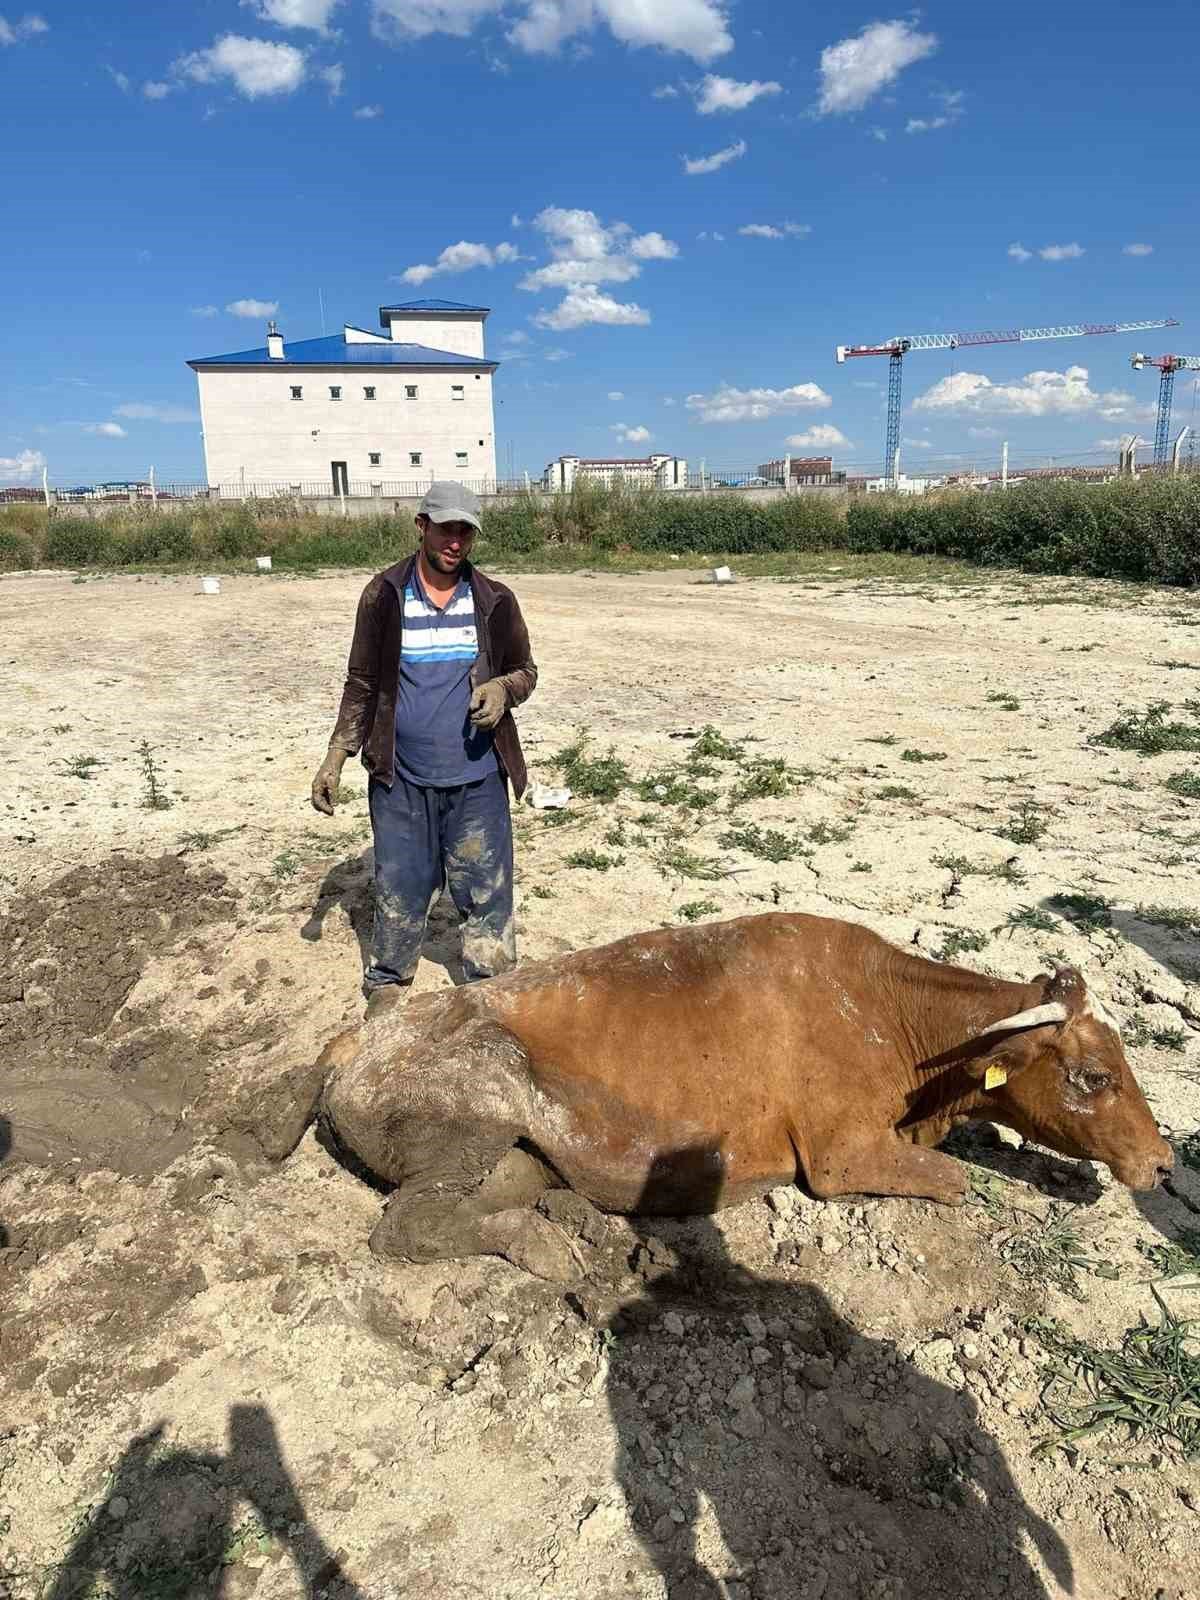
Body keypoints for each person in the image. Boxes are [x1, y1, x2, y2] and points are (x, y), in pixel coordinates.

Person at [310, 481, 537, 997]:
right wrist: (335, 757)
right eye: (445, 529)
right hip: (401, 779)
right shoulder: (384, 595)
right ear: (421, 526)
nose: (455, 542)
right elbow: (362, 681)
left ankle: (490, 991)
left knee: (485, 891)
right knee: (401, 884)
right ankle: (389, 981)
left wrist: (503, 689)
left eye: (465, 532)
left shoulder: (495, 600)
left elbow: (525, 670)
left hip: (478, 779)